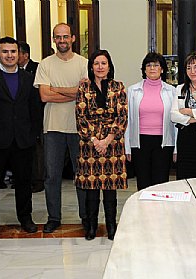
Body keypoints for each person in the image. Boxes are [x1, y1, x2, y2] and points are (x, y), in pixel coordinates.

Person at [0, 37, 41, 240]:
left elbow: (35, 109)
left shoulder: (28, 78)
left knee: (24, 183)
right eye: (5, 52)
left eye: (13, 51)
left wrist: (33, 134)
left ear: (19, 54)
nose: (10, 55)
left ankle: (25, 218)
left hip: (23, 140)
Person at [33, 23, 88, 233]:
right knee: (52, 176)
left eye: (65, 37)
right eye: (58, 37)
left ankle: (85, 216)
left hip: (79, 128)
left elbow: (84, 94)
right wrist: (73, 92)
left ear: (73, 38)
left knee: (81, 174)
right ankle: (53, 217)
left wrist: (55, 88)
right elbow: (44, 96)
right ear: (53, 40)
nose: (62, 41)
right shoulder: (45, 64)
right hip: (53, 127)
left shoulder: (84, 63)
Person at [76, 49, 128, 240]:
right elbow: (81, 117)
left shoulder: (118, 86)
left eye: (103, 63)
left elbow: (122, 116)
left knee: (110, 189)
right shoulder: (84, 88)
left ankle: (111, 226)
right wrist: (95, 140)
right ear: (91, 66)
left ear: (109, 66)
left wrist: (106, 140)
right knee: (91, 188)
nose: (100, 67)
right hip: (89, 145)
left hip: (112, 144)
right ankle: (91, 227)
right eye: (96, 63)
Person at [125, 52, 177, 190]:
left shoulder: (172, 91)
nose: (152, 68)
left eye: (156, 65)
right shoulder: (132, 91)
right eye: (148, 65)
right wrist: (128, 147)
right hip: (140, 143)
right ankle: (144, 211)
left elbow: (176, 124)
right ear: (144, 69)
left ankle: (160, 211)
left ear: (162, 69)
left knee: (161, 184)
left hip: (164, 143)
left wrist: (176, 148)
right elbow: (128, 121)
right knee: (143, 183)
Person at [18, 40, 45, 193]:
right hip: (22, 118)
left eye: (17, 52)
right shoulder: (16, 71)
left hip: (38, 114)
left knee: (38, 150)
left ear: (25, 55)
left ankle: (38, 179)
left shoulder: (37, 68)